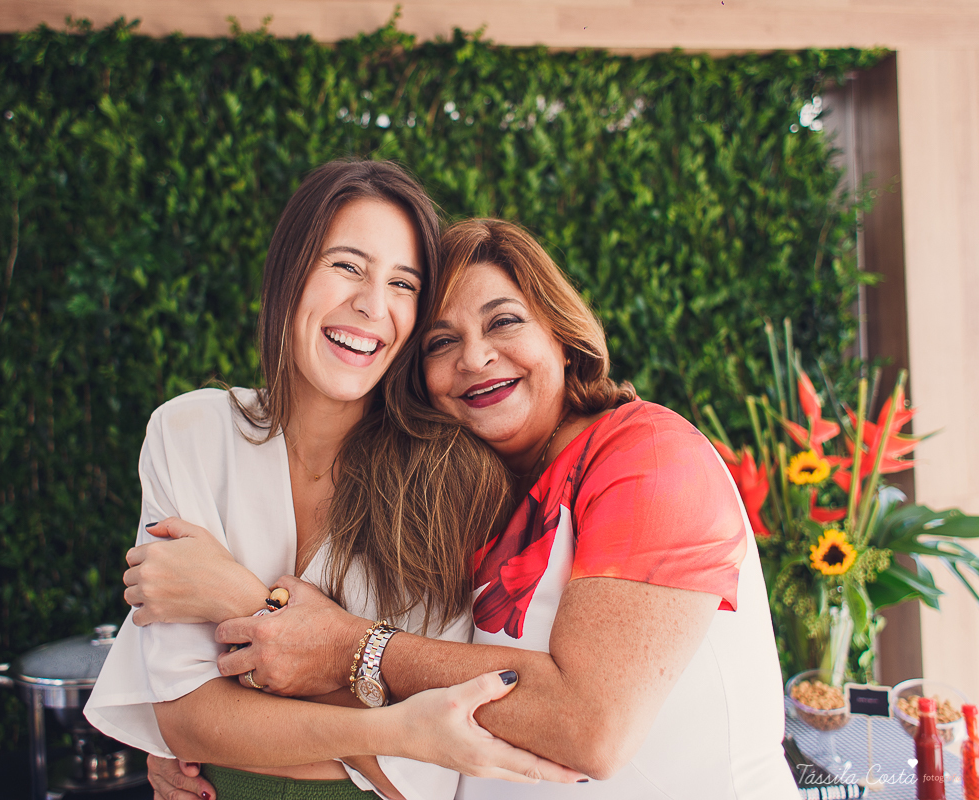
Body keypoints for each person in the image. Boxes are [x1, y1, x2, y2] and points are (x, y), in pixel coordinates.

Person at [137, 219, 800, 799]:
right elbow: (318, 652)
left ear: (562, 337)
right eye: (440, 343)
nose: (475, 358)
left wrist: (350, 648)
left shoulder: (646, 454)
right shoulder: (467, 499)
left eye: (503, 322)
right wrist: (188, 732)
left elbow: (589, 728)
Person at [84, 164, 582, 800]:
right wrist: (396, 725)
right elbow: (185, 718)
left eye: (403, 284)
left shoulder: (449, 478)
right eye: (347, 266)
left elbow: (429, 773)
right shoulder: (190, 433)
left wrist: (239, 598)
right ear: (289, 273)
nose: (372, 305)